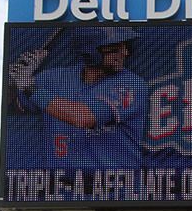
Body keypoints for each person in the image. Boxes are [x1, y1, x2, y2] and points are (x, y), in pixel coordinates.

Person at [9, 27, 148, 170]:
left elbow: (83, 117)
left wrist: (29, 87)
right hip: (60, 188)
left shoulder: (132, 84)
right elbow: (8, 105)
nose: (125, 53)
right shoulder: (53, 79)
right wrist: (13, 78)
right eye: (115, 48)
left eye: (125, 46)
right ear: (92, 51)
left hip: (115, 187)